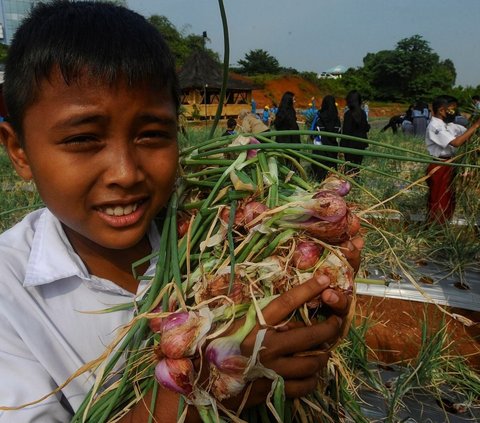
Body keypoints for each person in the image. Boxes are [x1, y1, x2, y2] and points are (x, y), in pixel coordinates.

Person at [0, 2, 359, 422]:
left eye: (152, 135)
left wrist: (318, 290)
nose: (125, 173)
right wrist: (207, 391)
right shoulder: (9, 291)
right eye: (83, 140)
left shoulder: (222, 228)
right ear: (19, 151)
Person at [425, 95, 480, 224]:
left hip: (450, 164)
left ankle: (444, 226)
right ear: (441, 110)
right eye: (452, 109)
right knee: (439, 199)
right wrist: (476, 126)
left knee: (448, 198)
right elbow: (456, 142)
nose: (454, 112)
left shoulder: (449, 125)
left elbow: (468, 133)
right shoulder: (435, 126)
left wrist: (475, 123)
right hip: (440, 165)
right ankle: (435, 229)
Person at [310, 95, 341, 180]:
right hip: (332, 148)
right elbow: (339, 133)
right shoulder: (336, 119)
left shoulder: (319, 117)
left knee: (319, 172)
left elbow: (312, 131)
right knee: (331, 170)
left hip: (319, 147)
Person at [340, 90, 370, 174]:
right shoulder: (363, 113)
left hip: (350, 144)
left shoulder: (348, 114)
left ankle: (349, 182)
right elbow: (365, 128)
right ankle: (357, 180)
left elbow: (346, 131)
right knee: (357, 166)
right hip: (361, 143)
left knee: (349, 167)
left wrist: (342, 145)